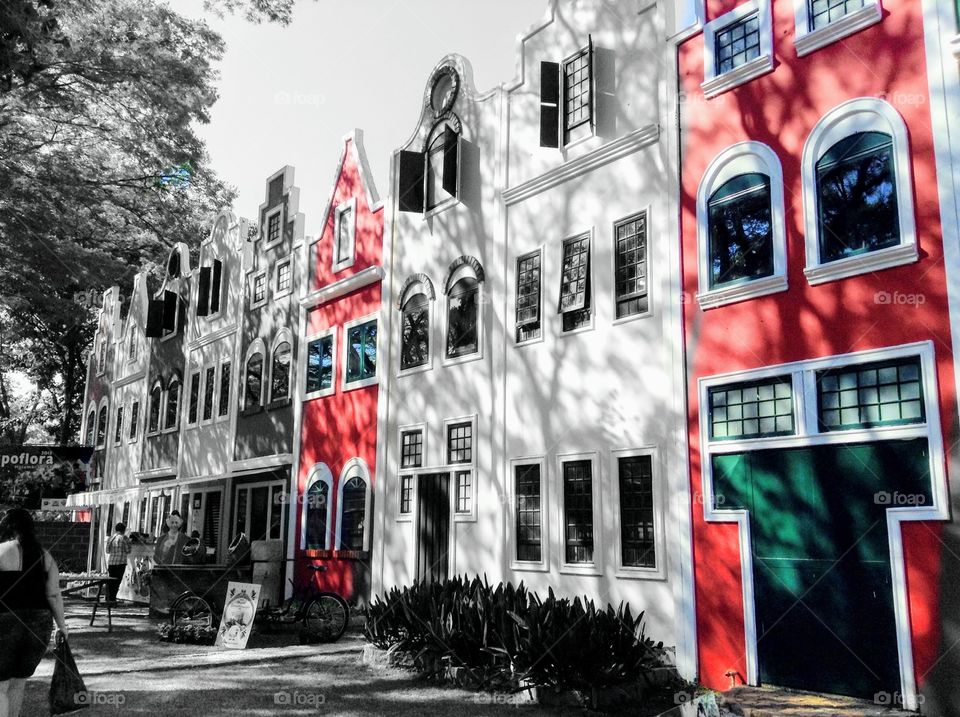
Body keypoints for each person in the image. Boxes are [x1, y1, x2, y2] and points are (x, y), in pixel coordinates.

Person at [0, 508, 69, 717]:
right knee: (18, 683)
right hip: (39, 623)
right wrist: (62, 626)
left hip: (5, 621)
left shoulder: (1, 551)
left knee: (0, 685)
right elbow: (54, 595)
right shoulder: (45, 556)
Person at [104, 522, 131, 602]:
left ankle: (108, 598)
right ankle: (112, 599)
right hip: (120, 563)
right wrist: (129, 542)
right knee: (117, 582)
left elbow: (107, 551)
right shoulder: (124, 538)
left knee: (111, 582)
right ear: (123, 530)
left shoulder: (111, 538)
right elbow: (128, 550)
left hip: (111, 562)